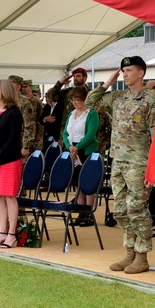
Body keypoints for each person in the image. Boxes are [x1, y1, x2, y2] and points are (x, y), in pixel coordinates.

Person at [86, 56, 155, 274]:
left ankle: (142, 256)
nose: (125, 74)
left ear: (141, 73)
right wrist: (107, 83)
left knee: (136, 208)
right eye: (123, 71)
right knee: (120, 210)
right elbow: (90, 102)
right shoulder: (118, 97)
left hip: (139, 163)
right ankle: (129, 253)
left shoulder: (151, 100)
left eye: (129, 70)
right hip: (118, 161)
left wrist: (154, 167)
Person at [0, 79, 24, 249]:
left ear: (6, 92)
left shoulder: (14, 113)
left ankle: (12, 234)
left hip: (8, 160)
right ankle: (2, 231)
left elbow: (13, 140)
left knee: (9, 196)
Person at [62, 86, 99, 225]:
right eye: (73, 100)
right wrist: (69, 146)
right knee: (77, 182)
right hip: (73, 150)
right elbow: (65, 133)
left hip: (86, 150)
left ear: (84, 99)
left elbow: (90, 134)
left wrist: (78, 147)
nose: (75, 102)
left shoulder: (91, 113)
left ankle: (88, 213)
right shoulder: (72, 114)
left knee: (88, 182)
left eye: (77, 99)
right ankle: (80, 212)